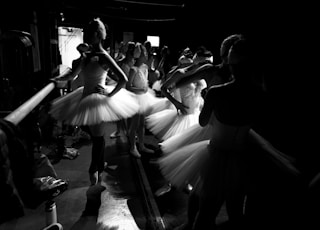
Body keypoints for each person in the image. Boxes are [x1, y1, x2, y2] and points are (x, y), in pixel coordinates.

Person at [159, 37, 299, 229]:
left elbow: (203, 121)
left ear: (231, 64)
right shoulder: (259, 94)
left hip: (216, 152)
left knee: (206, 208)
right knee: (236, 210)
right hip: (242, 156)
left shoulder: (217, 92)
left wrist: (208, 101)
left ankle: (192, 224)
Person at [49, 18, 139, 185]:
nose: (87, 37)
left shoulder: (104, 56)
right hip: (84, 97)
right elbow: (71, 75)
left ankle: (94, 169)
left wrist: (108, 94)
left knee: (97, 138)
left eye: (90, 34)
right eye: (87, 34)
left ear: (98, 35)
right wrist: (54, 79)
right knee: (96, 135)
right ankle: (99, 165)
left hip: (98, 100)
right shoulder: (87, 55)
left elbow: (123, 79)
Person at [126, 42, 159, 158]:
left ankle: (141, 145)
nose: (146, 55)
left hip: (143, 97)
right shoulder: (133, 69)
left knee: (141, 124)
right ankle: (132, 147)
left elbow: (145, 81)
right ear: (139, 55)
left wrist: (145, 88)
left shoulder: (144, 68)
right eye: (144, 53)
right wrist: (140, 89)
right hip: (136, 98)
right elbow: (128, 86)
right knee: (134, 125)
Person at [109, 41, 136, 139]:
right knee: (120, 111)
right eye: (129, 49)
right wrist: (119, 80)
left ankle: (130, 131)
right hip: (123, 89)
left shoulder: (135, 63)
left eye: (132, 49)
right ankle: (118, 131)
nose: (130, 51)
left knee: (130, 112)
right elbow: (110, 72)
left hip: (132, 88)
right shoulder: (121, 62)